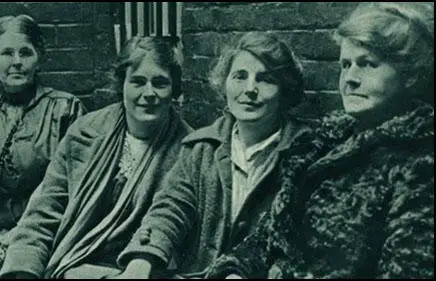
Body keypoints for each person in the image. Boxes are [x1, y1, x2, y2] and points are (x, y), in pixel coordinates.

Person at [205, 2, 434, 279]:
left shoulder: (420, 163)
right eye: (345, 65)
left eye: (367, 65)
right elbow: (268, 238)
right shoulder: (322, 145)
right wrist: (235, 273)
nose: (350, 78)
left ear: (410, 74)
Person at [113, 32, 347, 279]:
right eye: (239, 77)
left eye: (265, 79)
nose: (250, 90)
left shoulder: (307, 151)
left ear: (285, 90)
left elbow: (301, 238)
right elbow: (171, 208)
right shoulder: (201, 148)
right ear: (224, 83)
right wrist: (143, 258)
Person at [0, 36, 193, 279]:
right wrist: (24, 269)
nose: (149, 93)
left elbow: (173, 222)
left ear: (173, 88)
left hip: (145, 268)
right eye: (138, 82)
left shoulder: (190, 149)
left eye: (160, 83)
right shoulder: (85, 133)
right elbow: (46, 210)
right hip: (77, 263)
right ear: (122, 84)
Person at [0, 15, 86, 279]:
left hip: (49, 238)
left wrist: (20, 234)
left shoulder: (66, 110)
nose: (16, 62)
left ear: (39, 58)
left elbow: (78, 189)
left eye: (25, 52)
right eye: (6, 53)